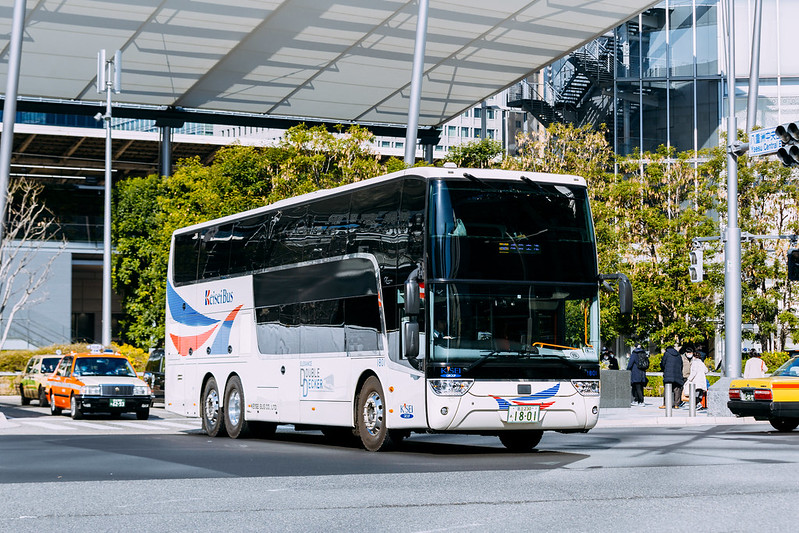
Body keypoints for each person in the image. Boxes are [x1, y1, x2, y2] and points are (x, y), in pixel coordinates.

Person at [660, 344, 685, 409]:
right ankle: (676, 404)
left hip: (668, 374)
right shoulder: (678, 355)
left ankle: (665, 404)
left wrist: (664, 369)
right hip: (677, 374)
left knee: (667, 389)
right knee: (677, 389)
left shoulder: (666, 354)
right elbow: (681, 365)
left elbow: (663, 363)